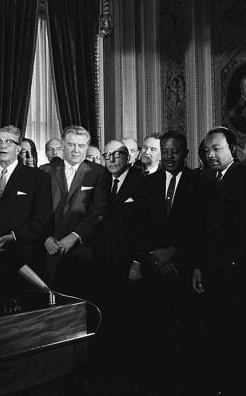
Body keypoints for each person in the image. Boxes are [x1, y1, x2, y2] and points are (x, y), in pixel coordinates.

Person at [132, 130, 212, 394]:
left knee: (187, 331)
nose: (169, 157)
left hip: (185, 267)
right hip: (154, 267)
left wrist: (174, 251)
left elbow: (201, 227)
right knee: (155, 330)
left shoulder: (200, 182)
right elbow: (138, 227)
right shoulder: (146, 183)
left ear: (185, 153)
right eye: (164, 151)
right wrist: (155, 255)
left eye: (174, 151)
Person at [192, 126, 246, 395]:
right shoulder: (214, 179)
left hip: (237, 273)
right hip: (217, 271)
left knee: (238, 336)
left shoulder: (244, 176)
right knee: (220, 333)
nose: (211, 154)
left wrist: (237, 262)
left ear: (232, 149)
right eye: (207, 150)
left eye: (217, 148)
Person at [0, 125, 52, 301]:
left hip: (25, 260)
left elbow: (42, 219)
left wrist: (13, 236)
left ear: (18, 148)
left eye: (8, 142)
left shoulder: (37, 177)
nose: (2, 146)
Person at [92, 140, 143, 379]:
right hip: (103, 261)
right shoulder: (101, 179)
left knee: (128, 315)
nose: (111, 159)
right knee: (106, 313)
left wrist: (137, 261)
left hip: (128, 262)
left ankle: (128, 368)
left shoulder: (140, 181)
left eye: (117, 155)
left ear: (128, 158)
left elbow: (145, 227)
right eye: (107, 155)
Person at [44, 125, 109, 298]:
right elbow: (38, 210)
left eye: (80, 146)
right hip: (48, 247)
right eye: (71, 144)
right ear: (63, 145)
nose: (75, 150)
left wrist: (73, 237)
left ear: (87, 146)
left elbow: (98, 211)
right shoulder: (45, 171)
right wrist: (46, 237)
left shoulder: (98, 173)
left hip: (81, 250)